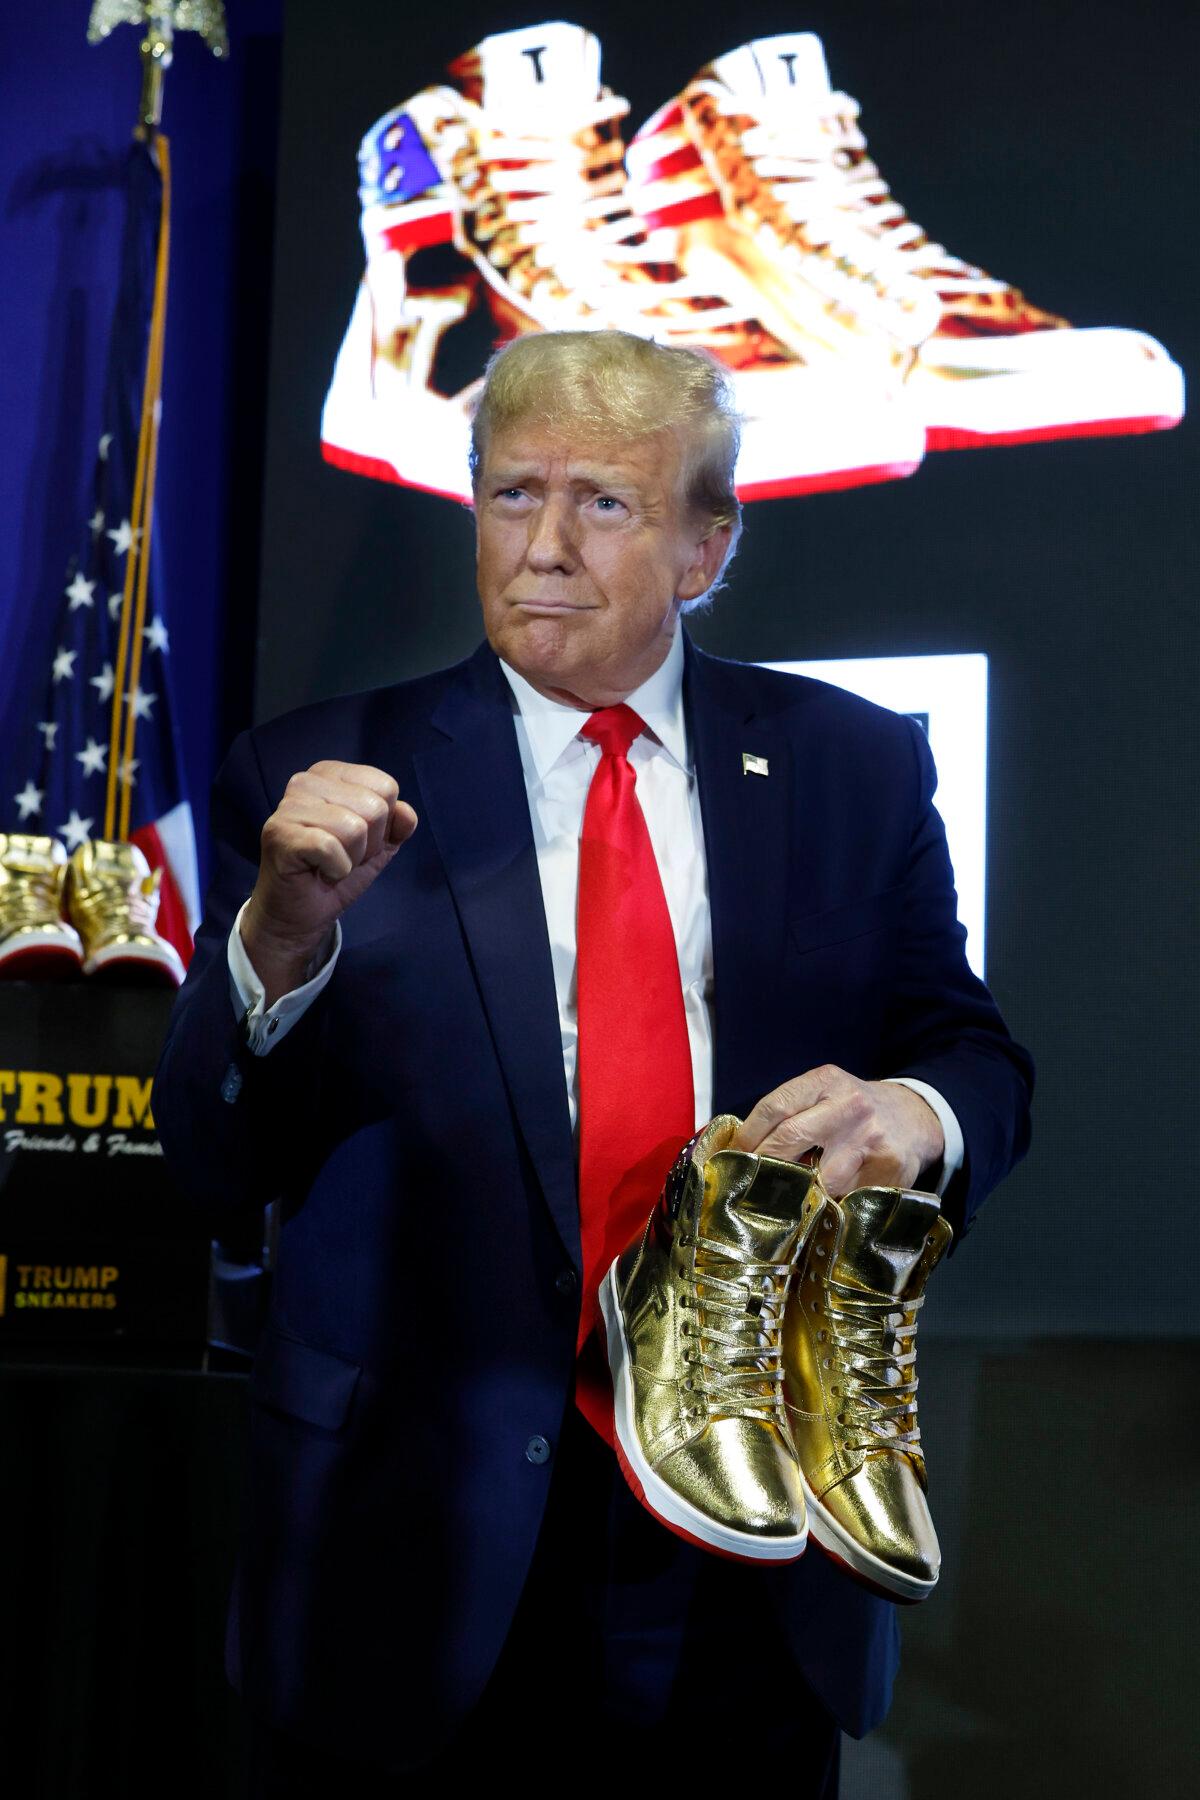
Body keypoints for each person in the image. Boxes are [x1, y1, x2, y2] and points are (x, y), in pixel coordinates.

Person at [154, 329, 1032, 1795]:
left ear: (706, 546)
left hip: (746, 1545)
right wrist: (279, 936)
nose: (543, 547)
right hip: (407, 1554)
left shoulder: (854, 766)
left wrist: (916, 1113)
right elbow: (214, 1156)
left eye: (603, 506)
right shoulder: (312, 774)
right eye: (511, 496)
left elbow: (971, 1053)